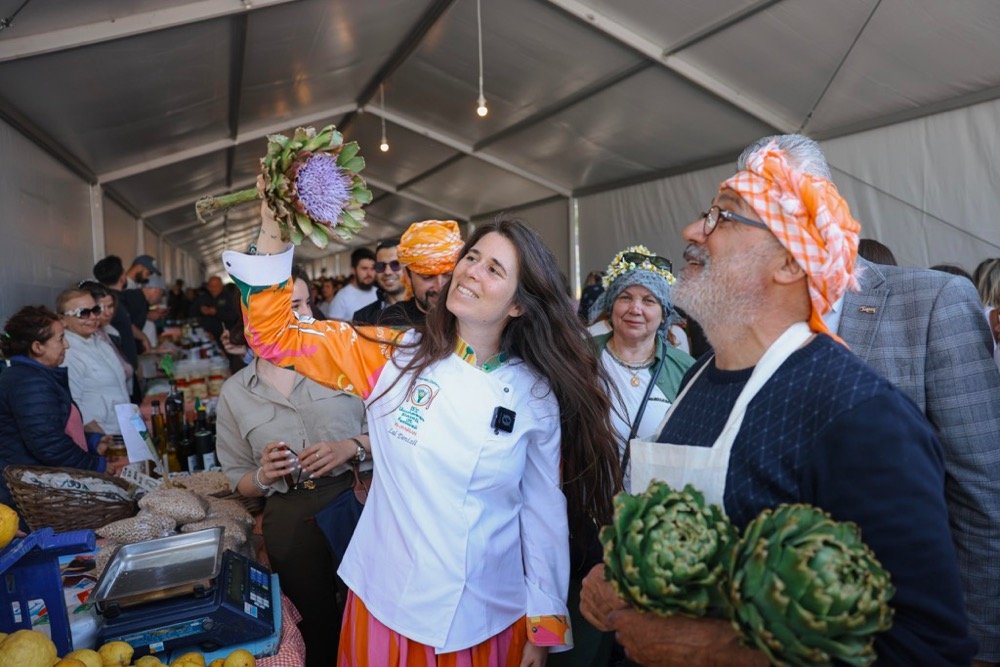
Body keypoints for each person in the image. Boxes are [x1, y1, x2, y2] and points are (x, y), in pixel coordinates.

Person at [581, 135, 975, 665]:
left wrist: (722, 652)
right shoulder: (697, 380)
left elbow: (926, 647)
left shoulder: (862, 415)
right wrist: (621, 573)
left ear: (789, 262)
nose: (692, 231)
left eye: (723, 216)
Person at [223, 208, 621, 665]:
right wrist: (273, 226)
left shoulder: (535, 395)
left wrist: (545, 626)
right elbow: (275, 335)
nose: (471, 271)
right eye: (471, 257)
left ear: (518, 304)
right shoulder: (391, 357)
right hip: (388, 605)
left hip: (489, 616)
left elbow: (542, 512)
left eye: (494, 269)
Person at [216, 265, 370, 667]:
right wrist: (264, 475)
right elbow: (238, 478)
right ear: (252, 316)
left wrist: (350, 447)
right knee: (314, 625)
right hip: (289, 515)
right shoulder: (235, 393)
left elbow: (397, 435)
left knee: (369, 614)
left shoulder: (346, 364)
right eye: (277, 308)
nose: (292, 317)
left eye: (300, 304)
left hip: (355, 500)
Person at [588, 245, 695, 492]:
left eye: (649, 300)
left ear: (664, 313)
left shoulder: (685, 369)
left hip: (654, 504)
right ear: (611, 306)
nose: (635, 309)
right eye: (625, 297)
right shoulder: (579, 357)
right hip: (588, 501)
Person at [0, 306, 116, 510]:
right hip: (32, 496)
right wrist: (96, 465)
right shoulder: (29, 383)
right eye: (60, 339)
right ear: (38, 347)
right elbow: (49, 444)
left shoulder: (34, 376)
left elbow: (51, 427)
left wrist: (91, 442)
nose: (67, 345)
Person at [58, 288, 131, 435]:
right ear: (63, 320)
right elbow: (74, 407)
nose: (93, 317)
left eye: (95, 310)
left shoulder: (101, 343)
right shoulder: (67, 352)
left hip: (123, 431)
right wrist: (102, 441)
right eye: (83, 313)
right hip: (104, 438)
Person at [376, 220, 463, 327]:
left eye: (448, 275)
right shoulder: (386, 323)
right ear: (407, 275)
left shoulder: (471, 318)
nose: (439, 286)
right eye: (427, 277)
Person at [93, 255, 141, 402]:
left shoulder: (115, 302)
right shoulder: (115, 301)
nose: (108, 312)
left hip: (126, 372)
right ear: (122, 276)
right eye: (102, 308)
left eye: (110, 307)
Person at [352, 237, 406, 324]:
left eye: (395, 265)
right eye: (381, 266)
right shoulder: (363, 318)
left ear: (408, 268)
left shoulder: (426, 312)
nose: (387, 272)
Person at [325, 248, 377, 320]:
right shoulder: (341, 298)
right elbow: (332, 326)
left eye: (372, 269)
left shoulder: (380, 293)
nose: (369, 273)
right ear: (353, 270)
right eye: (364, 268)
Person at [193, 276, 237, 342]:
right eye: (211, 286)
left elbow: (234, 316)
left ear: (222, 286)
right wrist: (200, 310)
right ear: (208, 287)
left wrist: (216, 312)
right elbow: (193, 313)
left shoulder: (229, 297)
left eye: (216, 286)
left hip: (226, 335)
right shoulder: (203, 298)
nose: (213, 288)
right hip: (206, 335)